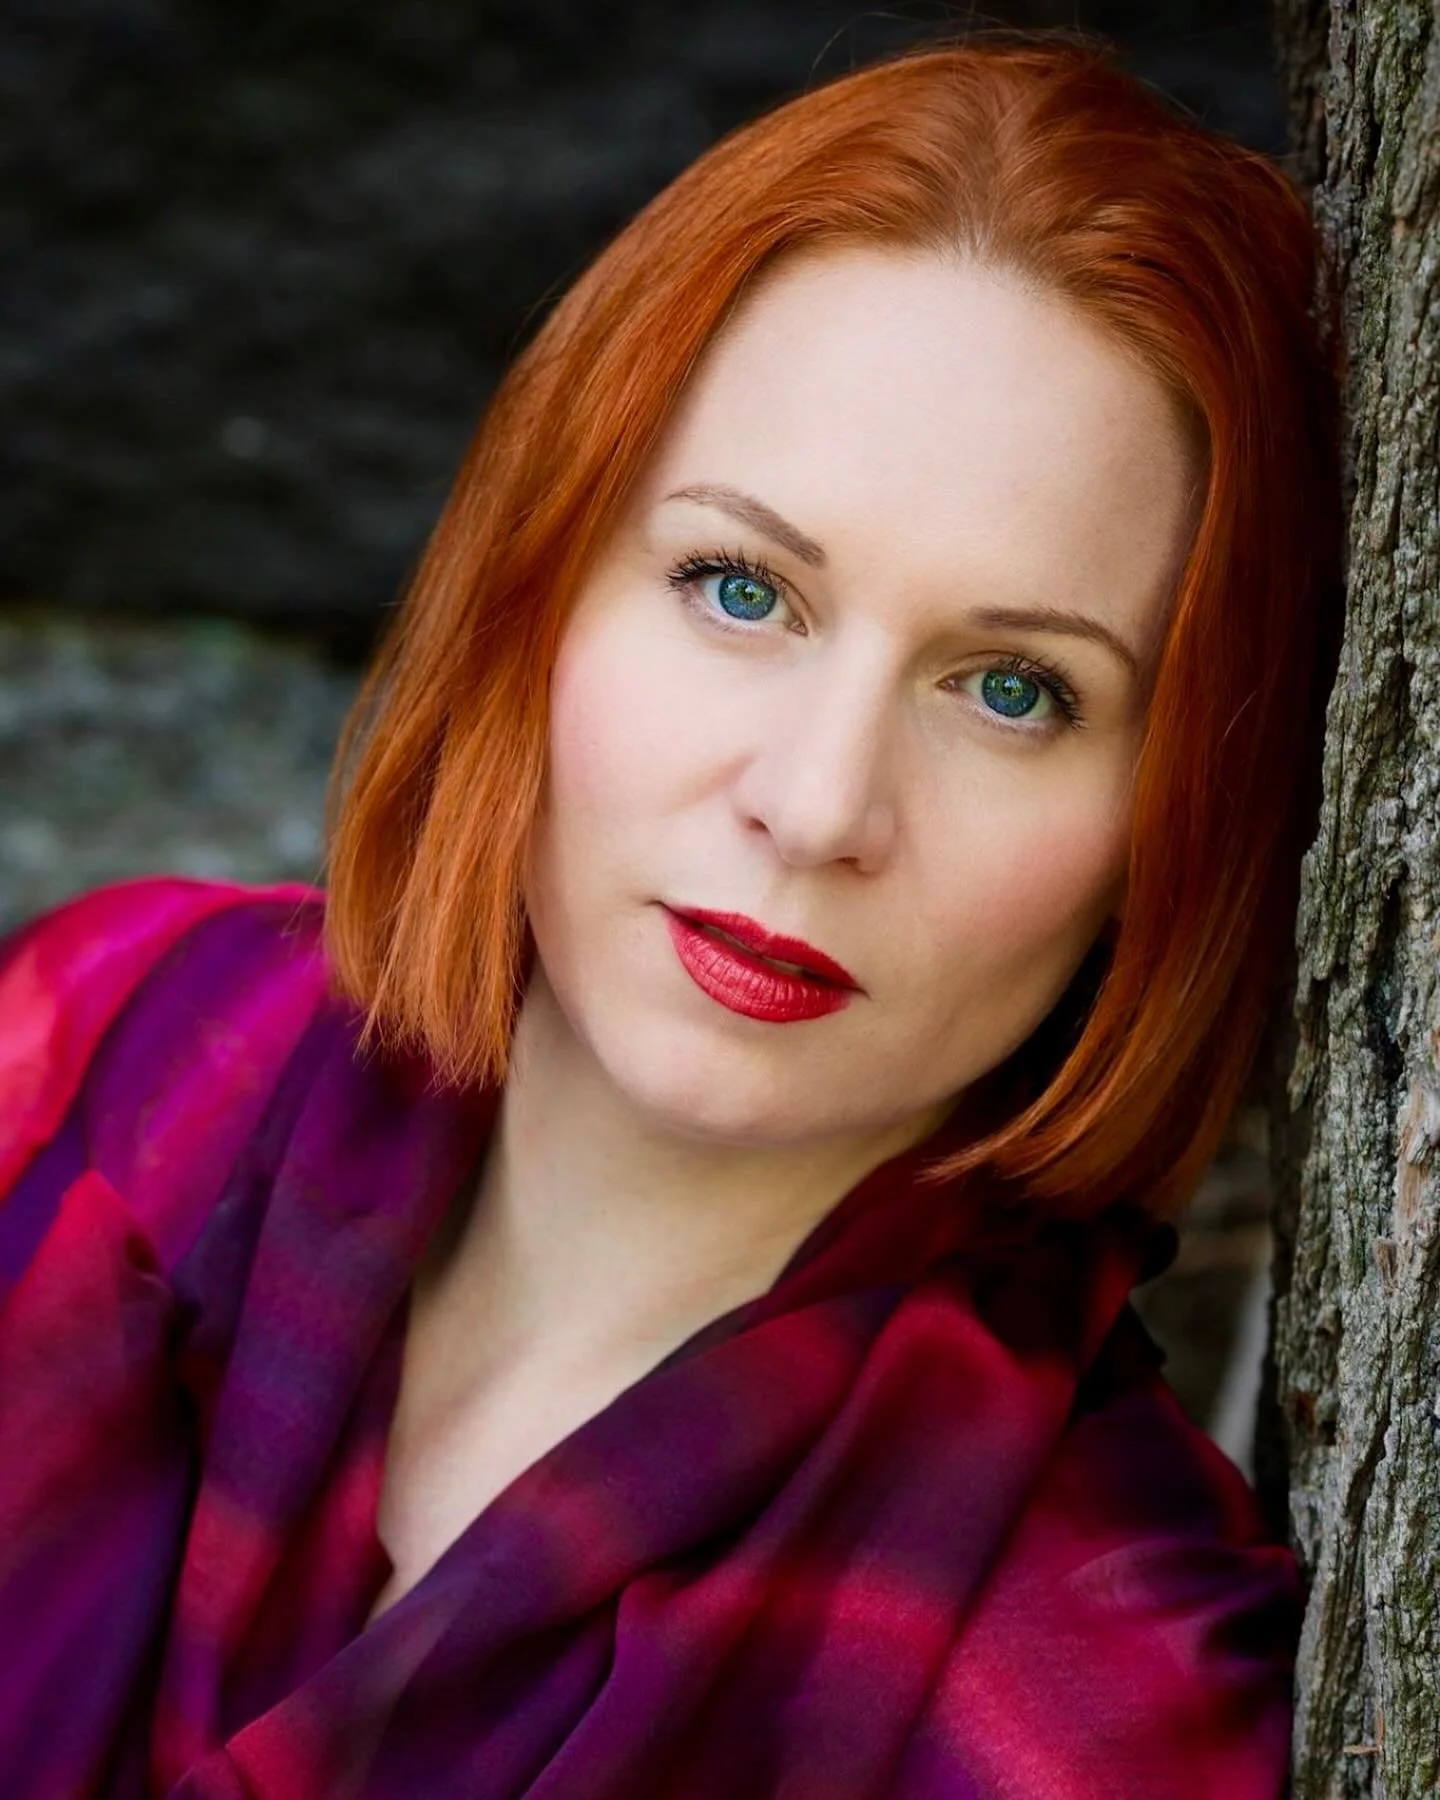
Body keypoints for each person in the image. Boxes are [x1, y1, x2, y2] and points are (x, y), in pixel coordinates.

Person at [0, 31, 1341, 1800]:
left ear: (1179, 822)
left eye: (1014, 691)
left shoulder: (1100, 1701)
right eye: (739, 588)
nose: (815, 803)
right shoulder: (117, 1036)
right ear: (541, 576)